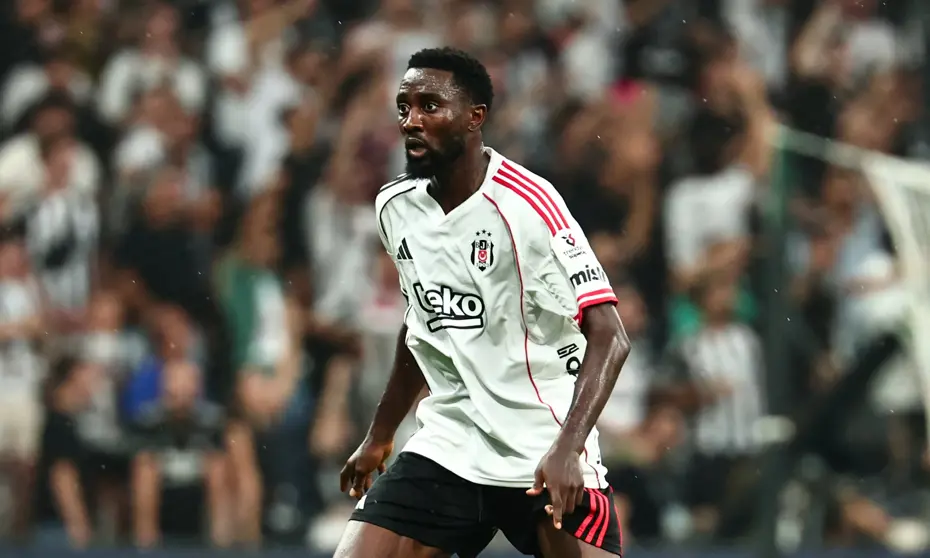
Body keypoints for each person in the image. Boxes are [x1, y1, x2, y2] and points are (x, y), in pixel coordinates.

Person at [335, 47, 631, 558]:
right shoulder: (395, 208)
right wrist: (380, 435)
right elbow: (423, 323)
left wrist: (569, 448)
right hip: (451, 442)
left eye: (430, 106)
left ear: (475, 117)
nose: (411, 120)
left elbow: (610, 335)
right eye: (404, 107)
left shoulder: (530, 206)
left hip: (541, 441)